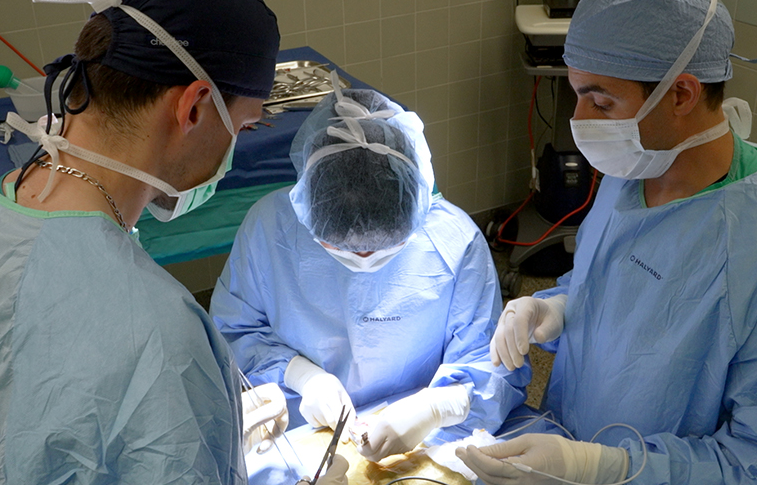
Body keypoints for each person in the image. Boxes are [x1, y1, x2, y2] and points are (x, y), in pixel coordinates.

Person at [0, 0, 355, 485]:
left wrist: (191, 433)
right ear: (194, 106)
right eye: (243, 127)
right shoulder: (159, 338)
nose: (235, 149)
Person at [458, 0, 757, 485]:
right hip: (569, 479)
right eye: (576, 93)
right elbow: (627, 298)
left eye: (600, 101)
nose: (581, 121)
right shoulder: (637, 168)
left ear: (680, 93)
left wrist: (606, 467)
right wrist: (555, 309)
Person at [210, 84, 527, 462]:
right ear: (307, 205)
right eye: (338, 246)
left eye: (383, 247)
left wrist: (440, 406)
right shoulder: (271, 229)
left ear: (415, 208)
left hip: (425, 442)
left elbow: (491, 362)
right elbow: (234, 331)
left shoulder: (454, 244)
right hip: (298, 433)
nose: (363, 258)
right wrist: (300, 376)